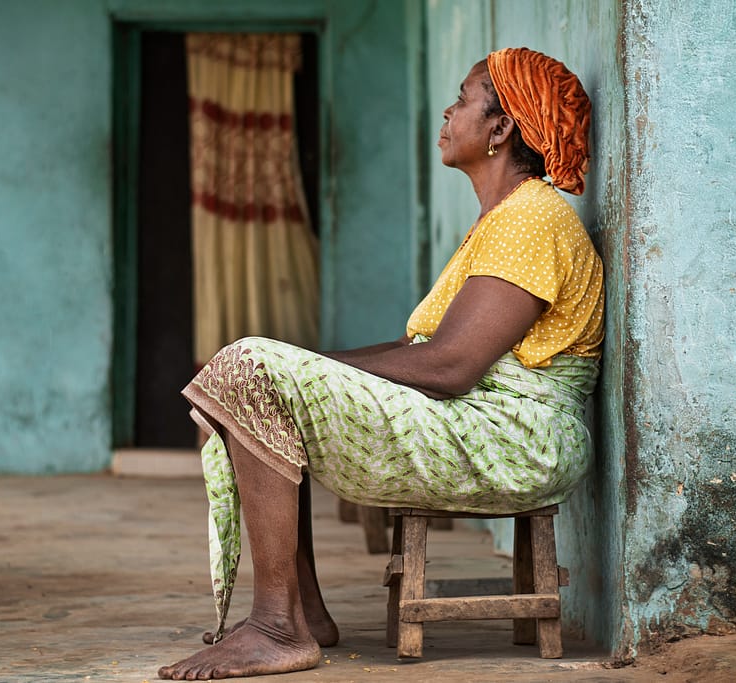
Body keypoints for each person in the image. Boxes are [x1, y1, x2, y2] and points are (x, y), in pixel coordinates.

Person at [158, 46, 604, 680]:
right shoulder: (504, 219)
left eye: (462, 101)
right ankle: (301, 613)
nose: (447, 113)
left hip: (515, 439)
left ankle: (277, 628)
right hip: (484, 425)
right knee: (252, 378)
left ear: (501, 129)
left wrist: (290, 373)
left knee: (253, 371)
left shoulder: (532, 218)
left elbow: (450, 367)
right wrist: (301, 367)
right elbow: (419, 352)